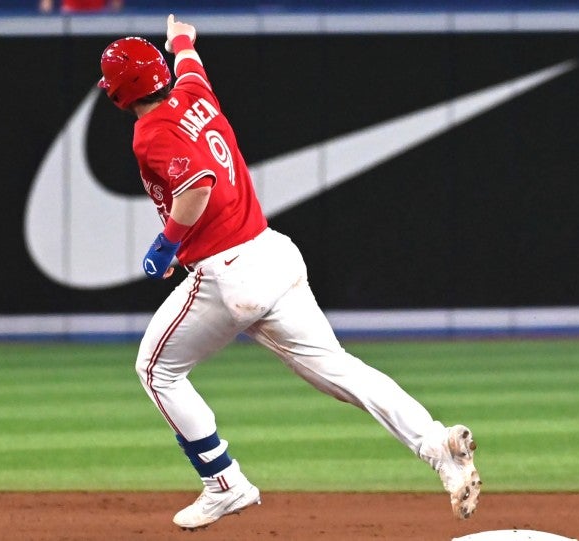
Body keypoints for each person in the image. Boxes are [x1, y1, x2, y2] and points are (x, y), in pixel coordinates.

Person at [96, 15, 482, 530]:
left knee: (156, 369)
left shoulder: (151, 132)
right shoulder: (192, 89)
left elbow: (197, 187)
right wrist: (181, 39)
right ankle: (440, 448)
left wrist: (166, 246)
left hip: (229, 273)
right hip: (273, 253)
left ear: (118, 93)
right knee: (342, 369)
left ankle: (224, 483)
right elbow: (190, 60)